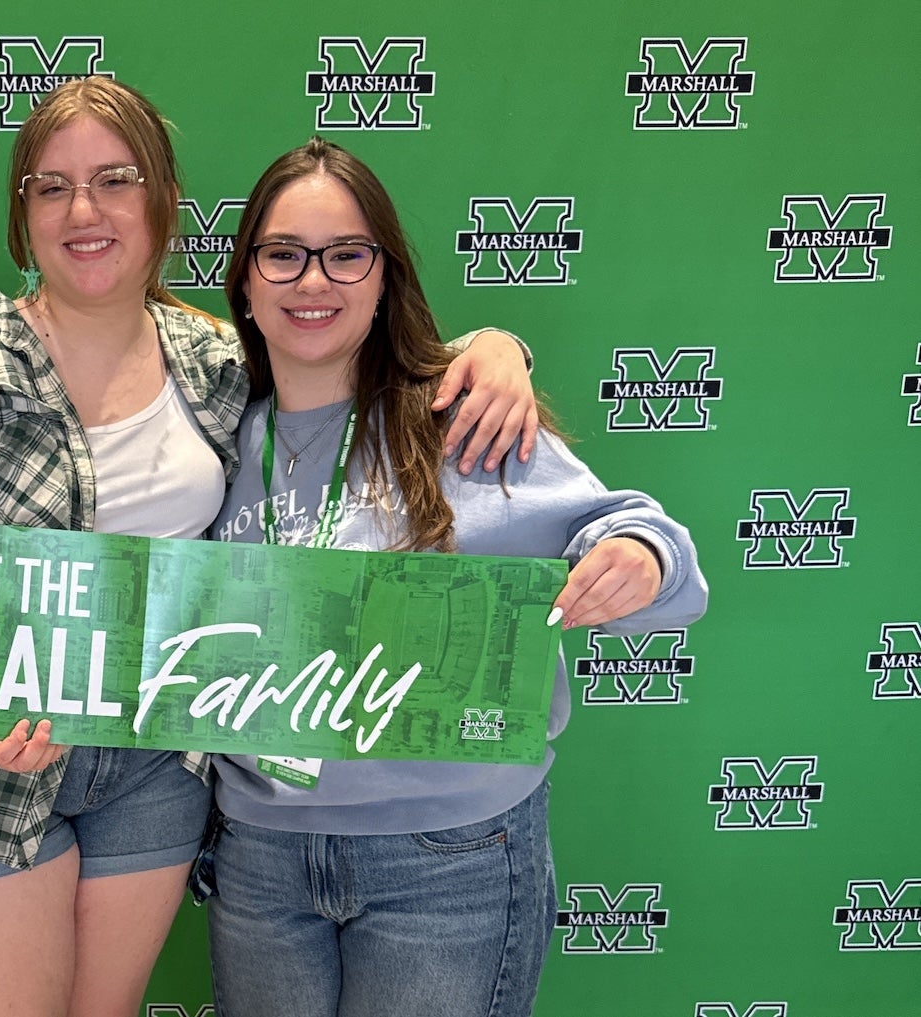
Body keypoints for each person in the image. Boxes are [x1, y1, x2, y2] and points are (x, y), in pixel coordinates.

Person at [0, 78, 538, 1017]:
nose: (83, 209)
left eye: (114, 179)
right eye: (50, 187)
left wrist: (496, 346)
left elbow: (343, 349)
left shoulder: (215, 362)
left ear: (162, 202)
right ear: (23, 216)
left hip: (152, 769)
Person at [201, 137, 709, 1017]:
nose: (312, 280)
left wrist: (642, 558)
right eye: (282, 254)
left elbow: (639, 538)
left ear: (384, 275)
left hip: (446, 860)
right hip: (261, 859)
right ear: (245, 280)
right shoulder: (213, 436)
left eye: (346, 254)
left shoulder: (459, 418)